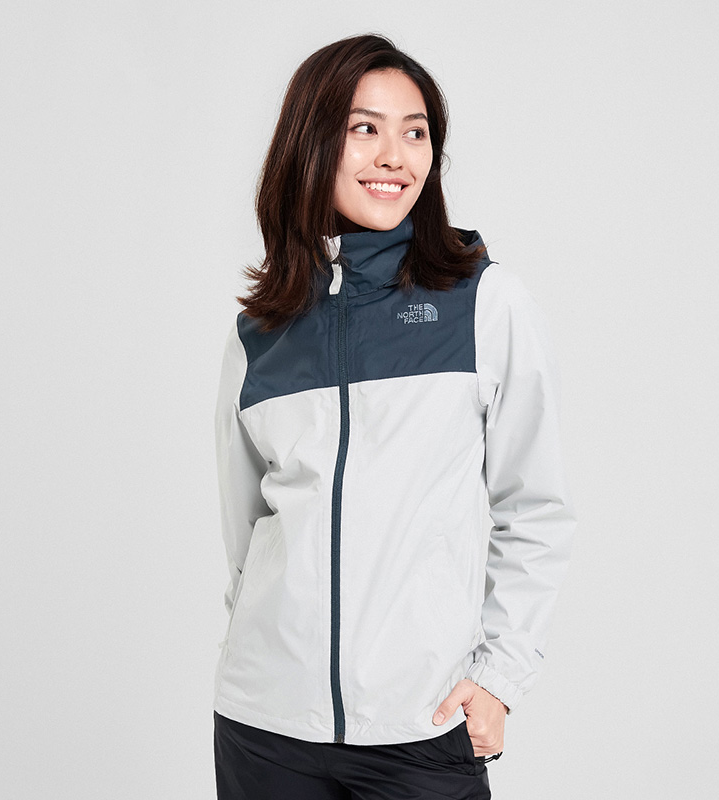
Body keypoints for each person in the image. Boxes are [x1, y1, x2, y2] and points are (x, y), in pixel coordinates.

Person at [212, 33, 576, 800]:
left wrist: (500, 678)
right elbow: (247, 537)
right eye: (364, 128)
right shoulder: (260, 334)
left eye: (415, 133)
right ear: (310, 143)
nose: (395, 156)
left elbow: (535, 508)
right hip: (264, 727)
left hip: (420, 726)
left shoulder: (482, 305)